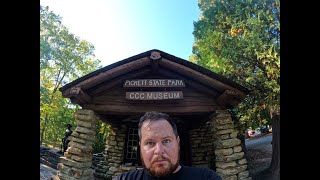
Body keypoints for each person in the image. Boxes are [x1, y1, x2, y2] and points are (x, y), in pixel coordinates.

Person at [114, 111, 221, 180]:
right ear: (140, 147)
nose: (159, 151)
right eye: (150, 143)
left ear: (178, 143)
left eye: (166, 141)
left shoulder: (206, 177)